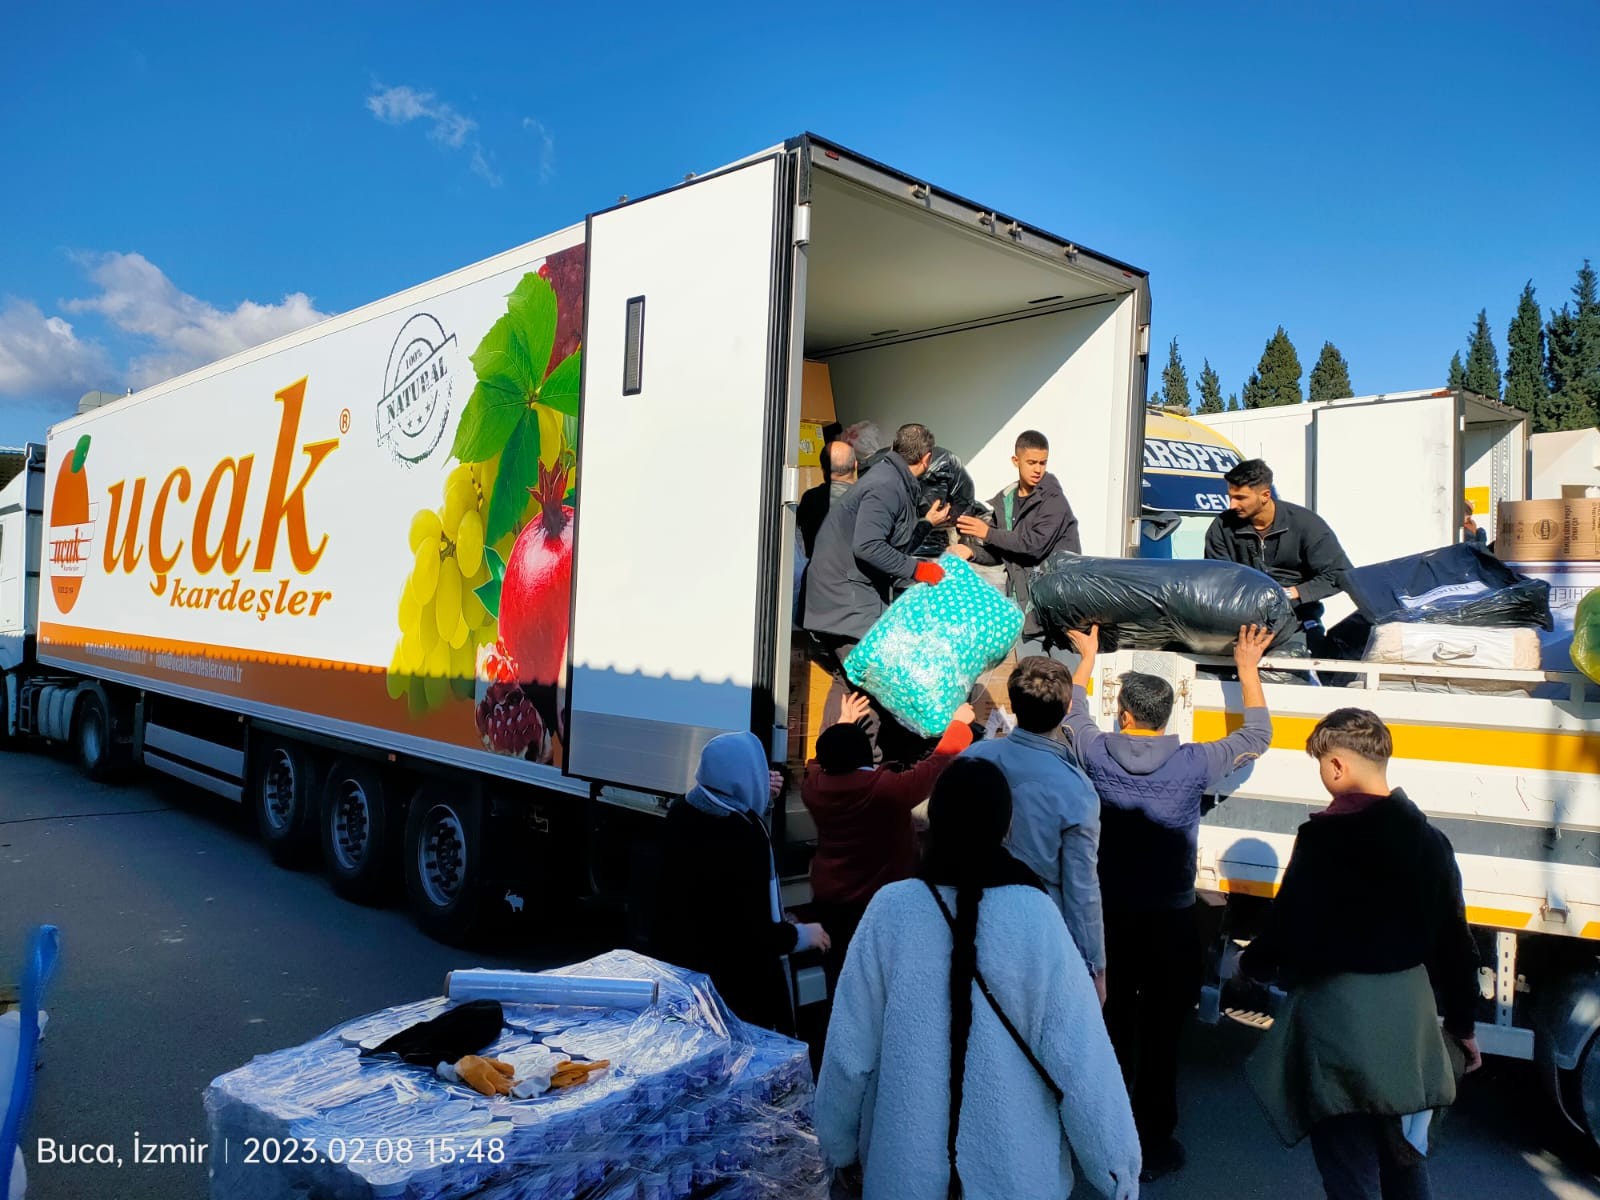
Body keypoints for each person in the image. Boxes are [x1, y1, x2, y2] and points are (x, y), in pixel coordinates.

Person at [816, 758, 1140, 1200]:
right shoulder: (1036, 915)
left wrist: (837, 1145)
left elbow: (848, 1050)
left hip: (904, 1171)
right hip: (1016, 1174)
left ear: (933, 821)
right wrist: (1117, 1168)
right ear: (1005, 827)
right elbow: (1082, 1058)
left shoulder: (890, 910)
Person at [1062, 622, 1275, 1183]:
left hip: (1109, 920)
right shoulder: (1195, 762)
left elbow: (1072, 712)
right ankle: (1154, 1144)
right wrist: (1246, 667)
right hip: (1171, 923)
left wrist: (1087, 658)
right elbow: (1258, 735)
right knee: (1161, 1033)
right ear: (1169, 714)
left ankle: (1101, 1137)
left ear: (1125, 714)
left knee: (1110, 1026)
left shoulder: (1097, 752)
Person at [1240, 709, 1481, 1200]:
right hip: (1408, 1026)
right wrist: (1463, 1027)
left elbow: (1287, 927)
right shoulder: (1431, 842)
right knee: (1405, 1154)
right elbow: (1457, 943)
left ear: (1336, 766)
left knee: (1350, 1168)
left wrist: (1250, 967)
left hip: (1337, 1025)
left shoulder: (1321, 841)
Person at [652, 732, 829, 1035]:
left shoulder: (683, 810)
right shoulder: (743, 835)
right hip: (738, 990)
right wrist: (800, 935)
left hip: (688, 975)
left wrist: (756, 792)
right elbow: (751, 931)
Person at [803, 693, 975, 994]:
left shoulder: (813, 787)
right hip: (882, 902)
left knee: (841, 977)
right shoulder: (886, 790)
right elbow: (936, 763)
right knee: (883, 980)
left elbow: (816, 762)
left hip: (830, 902)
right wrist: (959, 724)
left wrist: (841, 725)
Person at [803, 422, 952, 760]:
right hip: (845, 601)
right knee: (875, 682)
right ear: (926, 458)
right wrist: (919, 570)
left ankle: (830, 765)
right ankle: (861, 766)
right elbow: (868, 546)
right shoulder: (887, 485)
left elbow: (889, 546)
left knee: (850, 682)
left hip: (839, 599)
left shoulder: (889, 478)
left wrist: (925, 524)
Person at [962, 656, 1105, 1001]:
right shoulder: (1076, 788)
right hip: (1036, 928)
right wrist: (1093, 966)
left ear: (1013, 705)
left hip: (967, 914)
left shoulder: (973, 758)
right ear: (1068, 708)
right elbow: (1081, 888)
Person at [1204, 459, 1354, 654]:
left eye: (1241, 498)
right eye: (1230, 497)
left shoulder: (1306, 524)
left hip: (1298, 624)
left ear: (1265, 495)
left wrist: (1291, 593)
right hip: (1241, 626)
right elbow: (1218, 579)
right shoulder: (1222, 527)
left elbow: (1340, 573)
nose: (1232, 505)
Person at [957, 429, 1082, 659]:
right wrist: (971, 552)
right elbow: (1001, 552)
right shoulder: (1006, 502)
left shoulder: (1054, 501)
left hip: (1057, 618)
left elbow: (1033, 545)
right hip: (1025, 617)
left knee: (1063, 681)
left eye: (1043, 463)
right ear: (1016, 461)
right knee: (1031, 680)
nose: (1038, 469)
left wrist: (988, 533)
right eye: (1031, 462)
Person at [797, 439, 859, 560]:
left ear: (823, 469)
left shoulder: (810, 498)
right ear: (856, 465)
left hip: (817, 567)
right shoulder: (867, 499)